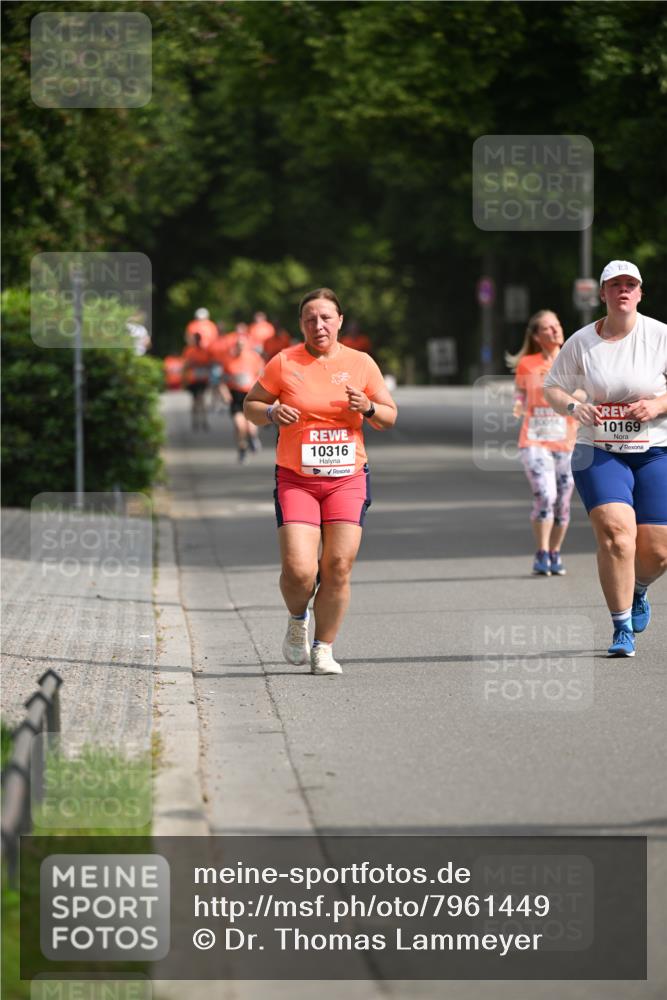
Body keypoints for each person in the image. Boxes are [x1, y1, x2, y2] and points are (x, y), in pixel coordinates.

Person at [244, 287, 397, 675]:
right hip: (296, 479)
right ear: (301, 324)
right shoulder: (283, 362)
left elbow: (389, 417)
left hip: (347, 479)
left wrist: (369, 407)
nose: (319, 325)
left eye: (326, 317)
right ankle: (298, 620)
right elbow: (251, 406)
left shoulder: (361, 363)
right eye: (310, 319)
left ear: (340, 321)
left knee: (338, 565)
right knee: (300, 570)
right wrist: (273, 412)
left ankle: (323, 648)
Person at [544, 260, 667, 657]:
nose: (623, 291)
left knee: (659, 551)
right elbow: (553, 388)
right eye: (615, 286)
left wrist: (657, 404)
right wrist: (572, 407)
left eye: (631, 285)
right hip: (597, 449)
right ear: (603, 294)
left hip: (654, 449)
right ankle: (621, 627)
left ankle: (638, 590)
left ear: (641, 293)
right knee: (617, 536)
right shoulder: (581, 341)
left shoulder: (660, 336)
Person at [506, 311, 577, 576]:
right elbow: (521, 393)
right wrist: (518, 404)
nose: (555, 330)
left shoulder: (573, 360)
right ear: (537, 336)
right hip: (534, 440)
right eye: (547, 328)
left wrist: (577, 401)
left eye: (557, 325)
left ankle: (556, 552)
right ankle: (542, 551)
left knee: (563, 502)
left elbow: (586, 392)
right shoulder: (528, 363)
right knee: (546, 495)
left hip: (567, 442)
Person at [220, 327, 264, 461]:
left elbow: (262, 375)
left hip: (251, 396)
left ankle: (253, 438)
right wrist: (225, 394)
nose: (240, 347)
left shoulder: (254, 358)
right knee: (240, 426)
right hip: (236, 396)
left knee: (251, 428)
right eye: (238, 345)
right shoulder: (228, 360)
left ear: (247, 345)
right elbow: (222, 380)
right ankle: (242, 447)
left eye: (243, 344)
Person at [181, 333, 211, 431]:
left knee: (201, 399)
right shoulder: (189, 350)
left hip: (202, 378)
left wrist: (201, 364)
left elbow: (209, 363)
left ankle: (203, 421)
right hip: (193, 379)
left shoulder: (204, 350)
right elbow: (185, 365)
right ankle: (196, 422)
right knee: (196, 400)